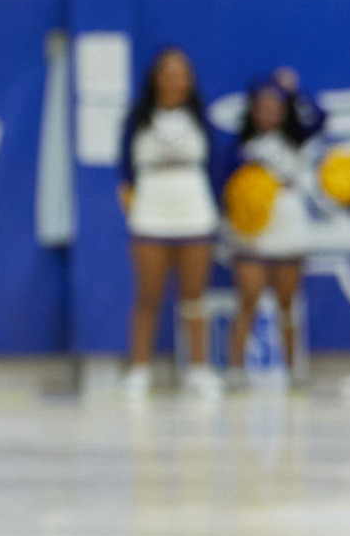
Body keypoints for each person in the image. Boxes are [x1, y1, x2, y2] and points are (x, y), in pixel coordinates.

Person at [118, 47, 221, 399]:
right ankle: (139, 369)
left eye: (182, 71)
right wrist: (132, 207)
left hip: (193, 203)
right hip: (152, 205)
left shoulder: (199, 117)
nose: (176, 79)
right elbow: (124, 172)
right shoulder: (137, 119)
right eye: (168, 71)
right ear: (155, 77)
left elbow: (214, 165)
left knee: (195, 295)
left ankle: (199, 368)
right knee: (148, 295)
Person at [219, 71, 322, 387]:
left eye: (275, 106)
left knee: (288, 299)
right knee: (248, 296)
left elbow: (320, 117)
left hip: (287, 220)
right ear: (252, 111)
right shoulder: (241, 146)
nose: (268, 113)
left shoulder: (295, 139)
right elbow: (225, 186)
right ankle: (235, 368)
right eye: (261, 107)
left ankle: (294, 368)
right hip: (254, 224)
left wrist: (294, 91)